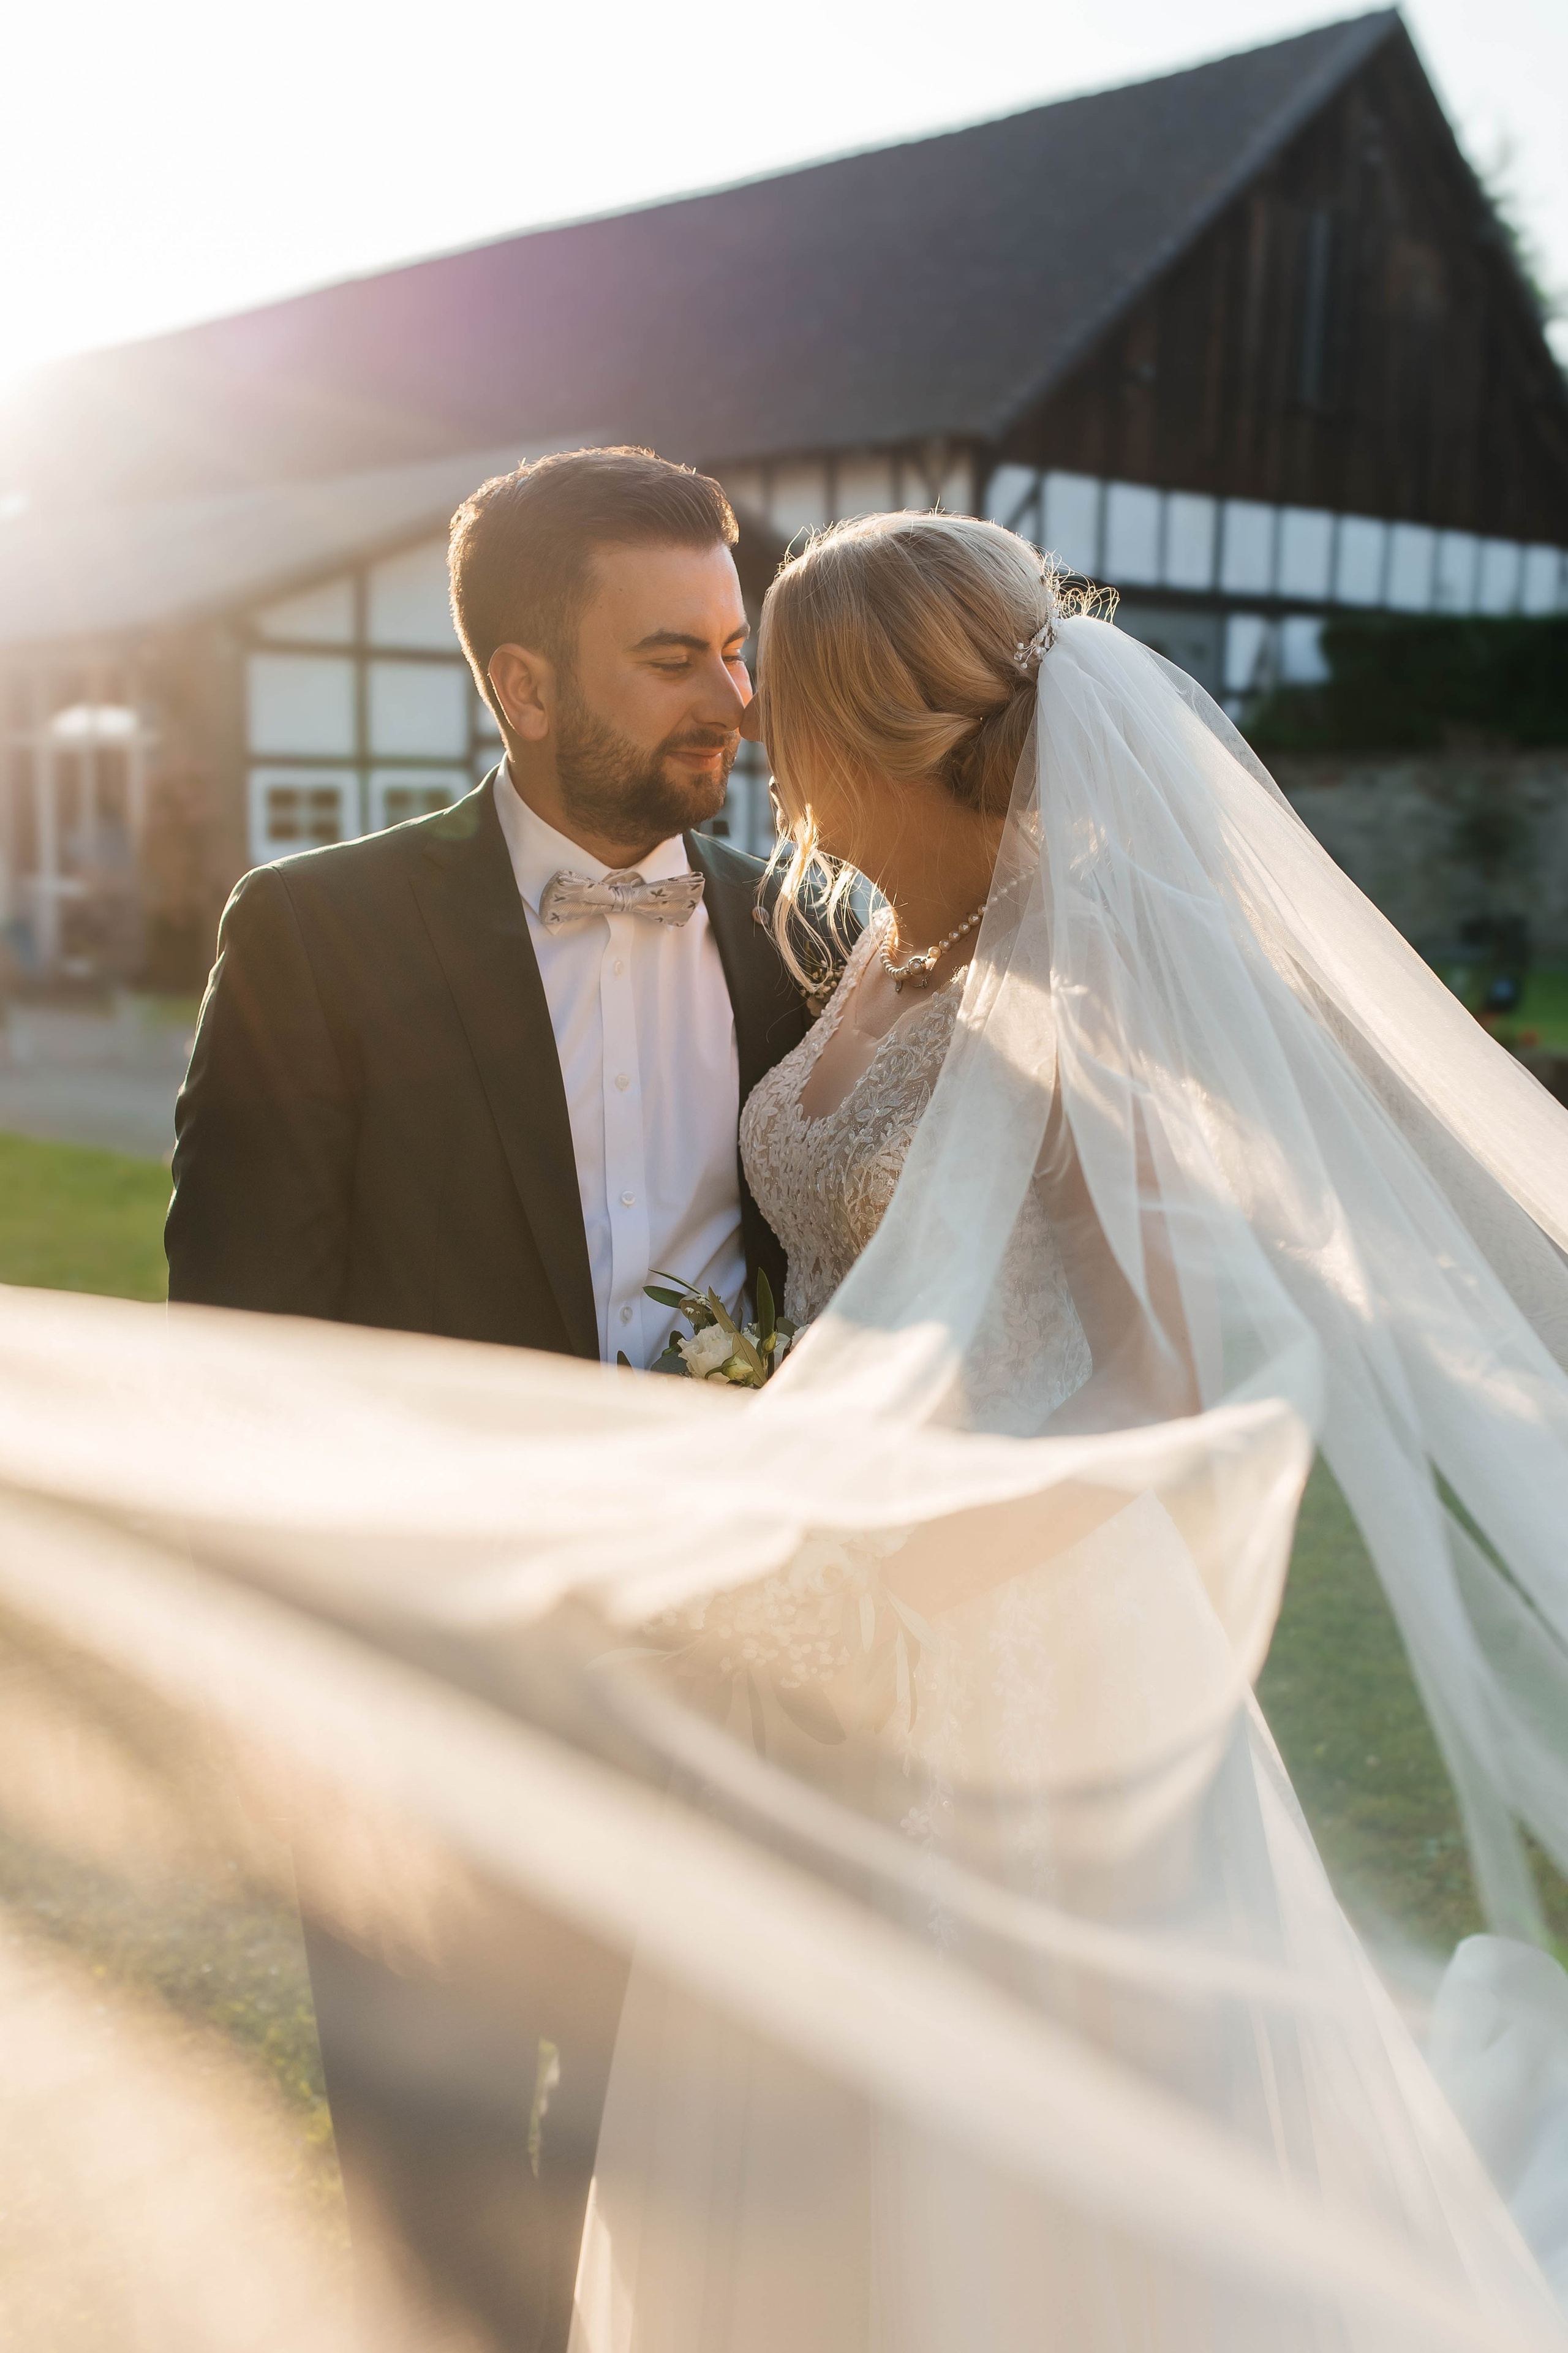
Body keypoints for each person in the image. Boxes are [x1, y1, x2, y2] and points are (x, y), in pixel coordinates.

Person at [563, 510, 1568, 2349]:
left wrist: (907, 1549)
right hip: (826, 1640)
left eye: (779, 696)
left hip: (1024, 1651)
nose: (758, 738)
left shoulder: (1096, 987)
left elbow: (1169, 1373)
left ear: (874, 729)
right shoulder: (875, 947)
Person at [164, 446, 818, 2349]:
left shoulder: (806, 945)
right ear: (521, 687)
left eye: (732, 648)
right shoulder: (317, 930)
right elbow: (245, 1349)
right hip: (416, 1695)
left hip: (720, 1693)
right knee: (435, 2202)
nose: (732, 697)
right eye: (670, 658)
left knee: (657, 2174)